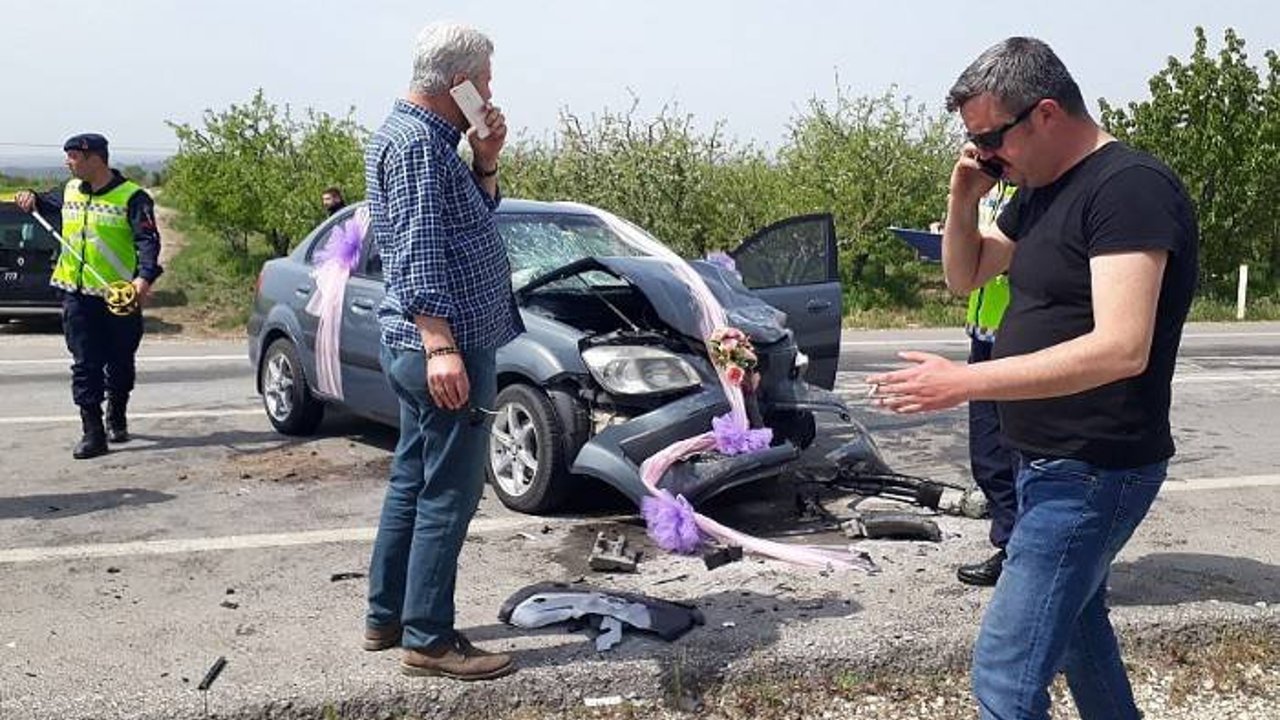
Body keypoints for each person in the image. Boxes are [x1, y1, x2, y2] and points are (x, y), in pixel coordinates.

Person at [868, 37, 1198, 720]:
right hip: (1046, 464)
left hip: (1094, 469)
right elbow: (965, 275)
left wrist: (965, 382)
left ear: (1045, 113)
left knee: (1003, 678)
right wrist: (964, 197)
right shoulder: (1040, 190)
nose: (987, 155)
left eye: (991, 139)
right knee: (1079, 632)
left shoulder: (1129, 188)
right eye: (975, 144)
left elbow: (1121, 348)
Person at [362, 21, 522, 681]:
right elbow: (418, 249)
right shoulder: (418, 146)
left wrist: (486, 160)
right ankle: (428, 639)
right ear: (457, 82)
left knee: (413, 478)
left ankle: (387, 616)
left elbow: (468, 223)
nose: (490, 92)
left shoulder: (427, 140)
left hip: (434, 343)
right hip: (445, 345)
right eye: (484, 80)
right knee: (450, 493)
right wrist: (440, 345)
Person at [14, 133, 163, 459]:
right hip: (76, 295)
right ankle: (92, 432)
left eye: (73, 157)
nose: (67, 162)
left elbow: (148, 242)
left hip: (118, 296)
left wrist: (144, 279)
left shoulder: (133, 197)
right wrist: (29, 196)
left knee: (120, 362)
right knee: (85, 364)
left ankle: (116, 414)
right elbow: (42, 202)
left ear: (94, 158)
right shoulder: (69, 190)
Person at [956, 182, 1019, 587]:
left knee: (1021, 454)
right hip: (983, 333)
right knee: (987, 452)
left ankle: (1025, 554)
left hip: (1022, 335)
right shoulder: (990, 188)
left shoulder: (1034, 182)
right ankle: (1011, 546)